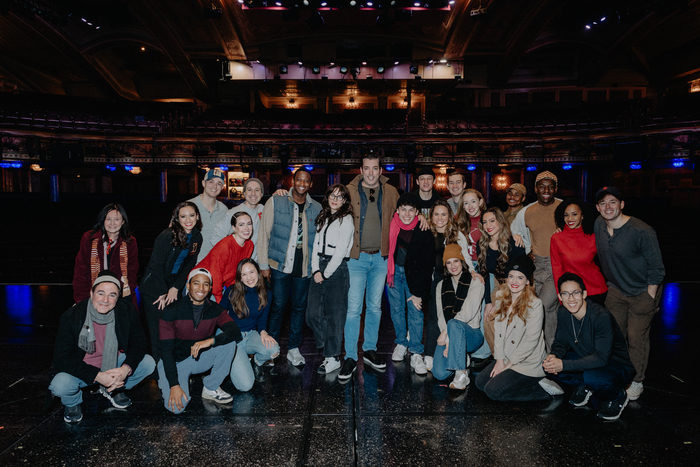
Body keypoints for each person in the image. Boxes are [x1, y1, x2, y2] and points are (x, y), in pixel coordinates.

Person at [49, 271, 155, 424]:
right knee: (60, 385)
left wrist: (125, 369)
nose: (105, 300)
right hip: (84, 368)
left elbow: (139, 343)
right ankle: (72, 404)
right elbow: (62, 358)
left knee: (148, 363)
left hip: (113, 364)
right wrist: (98, 376)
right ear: (91, 294)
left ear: (117, 298)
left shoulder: (125, 311)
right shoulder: (72, 316)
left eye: (112, 295)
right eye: (101, 293)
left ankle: (115, 390)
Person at [594, 186, 665, 401]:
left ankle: (637, 381)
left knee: (636, 337)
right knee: (615, 336)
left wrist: (649, 296)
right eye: (603, 203)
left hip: (642, 292)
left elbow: (657, 269)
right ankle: (621, 373)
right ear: (598, 208)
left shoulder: (642, 231)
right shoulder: (599, 224)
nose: (608, 207)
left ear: (622, 204)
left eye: (613, 202)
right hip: (616, 290)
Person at [340, 154, 400, 380]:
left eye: (375, 168)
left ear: (380, 169)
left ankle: (370, 350)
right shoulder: (349, 190)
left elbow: (403, 215)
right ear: (361, 169)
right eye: (367, 168)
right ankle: (350, 356)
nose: (371, 173)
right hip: (356, 258)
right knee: (354, 309)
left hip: (381, 258)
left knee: (375, 307)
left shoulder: (392, 191)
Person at [543, 273, 635, 420]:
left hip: (616, 366)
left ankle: (618, 397)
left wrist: (564, 365)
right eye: (565, 294)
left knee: (592, 377)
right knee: (548, 365)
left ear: (584, 294)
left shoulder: (600, 317)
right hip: (587, 359)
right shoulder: (563, 313)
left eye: (575, 293)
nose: (571, 298)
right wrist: (554, 356)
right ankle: (586, 386)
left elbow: (601, 359)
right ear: (560, 297)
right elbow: (561, 342)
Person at [257, 168, 321, 367]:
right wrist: (263, 265)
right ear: (293, 181)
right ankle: (272, 349)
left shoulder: (317, 208)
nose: (302, 183)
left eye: (306, 181)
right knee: (278, 306)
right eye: (299, 179)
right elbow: (263, 234)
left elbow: (319, 240)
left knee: (299, 308)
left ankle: (294, 348)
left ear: (310, 185)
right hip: (279, 266)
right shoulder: (276, 201)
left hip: (303, 267)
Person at [157, 268, 243, 414]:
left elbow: (234, 331)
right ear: (188, 285)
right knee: (177, 408)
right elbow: (166, 351)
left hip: (197, 358)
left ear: (210, 289)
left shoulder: (214, 309)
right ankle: (169, 381)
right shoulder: (171, 311)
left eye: (205, 284)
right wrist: (174, 384)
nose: (201, 288)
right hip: (174, 362)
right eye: (196, 283)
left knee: (229, 343)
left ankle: (211, 387)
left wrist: (210, 341)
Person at [475, 255, 556, 401]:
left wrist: (508, 364)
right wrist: (499, 360)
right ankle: (520, 381)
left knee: (493, 391)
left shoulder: (535, 304)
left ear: (527, 281)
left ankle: (541, 390)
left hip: (527, 361)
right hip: (506, 355)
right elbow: (498, 332)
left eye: (520, 277)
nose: (514, 281)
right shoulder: (501, 296)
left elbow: (531, 341)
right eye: (511, 276)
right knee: (480, 383)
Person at [140, 201, 203, 361]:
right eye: (183, 216)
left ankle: (174, 363)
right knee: (158, 329)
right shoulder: (166, 236)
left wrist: (175, 287)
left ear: (197, 216)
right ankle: (160, 368)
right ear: (177, 219)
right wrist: (163, 292)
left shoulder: (197, 237)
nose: (188, 220)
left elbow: (189, 263)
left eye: (191, 215)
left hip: (174, 285)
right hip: (154, 287)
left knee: (175, 326)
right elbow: (156, 267)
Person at [424, 200, 479, 371]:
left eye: (444, 214)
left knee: (455, 314)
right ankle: (430, 353)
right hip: (435, 279)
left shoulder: (457, 234)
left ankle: (459, 349)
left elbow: (465, 258)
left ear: (449, 217)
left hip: (454, 278)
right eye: (436, 214)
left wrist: (472, 272)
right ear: (431, 216)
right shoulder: (427, 232)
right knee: (433, 315)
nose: (440, 218)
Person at [306, 184, 354, 375]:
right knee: (312, 315)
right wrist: (316, 269)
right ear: (327, 197)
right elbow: (316, 245)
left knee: (335, 316)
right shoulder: (323, 216)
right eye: (332, 195)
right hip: (319, 265)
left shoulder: (346, 219)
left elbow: (341, 251)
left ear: (345, 201)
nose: (335, 199)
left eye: (340, 197)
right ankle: (330, 348)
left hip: (337, 270)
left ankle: (332, 357)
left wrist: (325, 274)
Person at [511, 171, 562, 350]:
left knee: (543, 305)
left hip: (557, 266)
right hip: (535, 266)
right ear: (536, 189)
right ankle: (541, 353)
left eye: (550, 186)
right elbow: (515, 232)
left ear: (556, 188)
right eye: (542, 186)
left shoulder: (564, 208)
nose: (546, 190)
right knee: (544, 311)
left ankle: (551, 354)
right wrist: (526, 250)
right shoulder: (526, 211)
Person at [387, 193, 435, 375]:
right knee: (397, 310)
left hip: (414, 277)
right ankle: (401, 342)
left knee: (415, 311)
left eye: (411, 210)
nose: (407, 214)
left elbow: (427, 263)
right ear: (397, 211)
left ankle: (416, 351)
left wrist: (419, 290)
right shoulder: (391, 226)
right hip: (394, 273)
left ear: (417, 212)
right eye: (403, 209)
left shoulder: (423, 230)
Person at [430, 244, 485, 390]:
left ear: (462, 262)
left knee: (454, 323)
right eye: (448, 262)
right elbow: (441, 316)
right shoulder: (441, 285)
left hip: (472, 334)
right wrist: (449, 339)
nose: (453, 266)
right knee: (439, 373)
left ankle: (461, 375)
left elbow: (468, 312)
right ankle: (461, 359)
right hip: (449, 334)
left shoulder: (475, 281)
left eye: (456, 261)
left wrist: (445, 334)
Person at [476, 207, 526, 356]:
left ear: (501, 222)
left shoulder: (514, 242)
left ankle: (515, 357)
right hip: (497, 287)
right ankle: (499, 357)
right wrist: (488, 303)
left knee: (510, 320)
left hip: (517, 287)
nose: (488, 225)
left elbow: (522, 273)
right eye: (484, 222)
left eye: (492, 221)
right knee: (489, 319)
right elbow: (484, 275)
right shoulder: (482, 245)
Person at [73, 203, 139, 307]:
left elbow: (132, 273)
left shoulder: (130, 242)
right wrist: (81, 301)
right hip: (94, 295)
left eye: (117, 219)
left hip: (121, 296)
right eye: (108, 219)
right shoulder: (89, 239)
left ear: (123, 222)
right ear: (103, 221)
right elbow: (81, 272)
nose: (112, 223)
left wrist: (126, 296)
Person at [227, 259, 279, 388]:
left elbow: (262, 319)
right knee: (245, 386)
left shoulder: (267, 293)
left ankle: (257, 362)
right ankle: (236, 360)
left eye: (251, 272)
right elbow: (219, 315)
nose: (249, 277)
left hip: (250, 335)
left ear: (258, 273)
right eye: (244, 274)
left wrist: (263, 332)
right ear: (240, 277)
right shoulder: (232, 291)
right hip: (233, 338)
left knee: (273, 349)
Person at [550, 198, 607, 304]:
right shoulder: (556, 238)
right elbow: (557, 270)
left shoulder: (593, 237)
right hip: (571, 293)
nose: (570, 218)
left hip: (595, 290)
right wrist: (561, 295)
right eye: (566, 215)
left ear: (582, 216)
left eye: (574, 214)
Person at [195, 211, 254, 306]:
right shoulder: (225, 246)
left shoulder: (249, 245)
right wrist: (220, 299)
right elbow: (215, 274)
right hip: (204, 282)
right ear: (234, 228)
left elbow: (239, 270)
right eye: (241, 225)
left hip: (223, 285)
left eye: (249, 224)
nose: (246, 228)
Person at [211, 178, 265, 261]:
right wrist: (231, 257)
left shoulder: (263, 210)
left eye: (257, 190)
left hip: (257, 265)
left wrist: (280, 193)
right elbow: (215, 237)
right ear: (244, 193)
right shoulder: (233, 213)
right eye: (249, 190)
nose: (253, 193)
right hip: (239, 266)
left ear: (261, 194)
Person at [189, 168, 228, 260]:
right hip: (193, 264)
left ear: (222, 187)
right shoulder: (189, 206)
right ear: (203, 183)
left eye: (219, 183)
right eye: (211, 181)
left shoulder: (224, 210)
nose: (215, 186)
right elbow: (172, 235)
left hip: (216, 262)